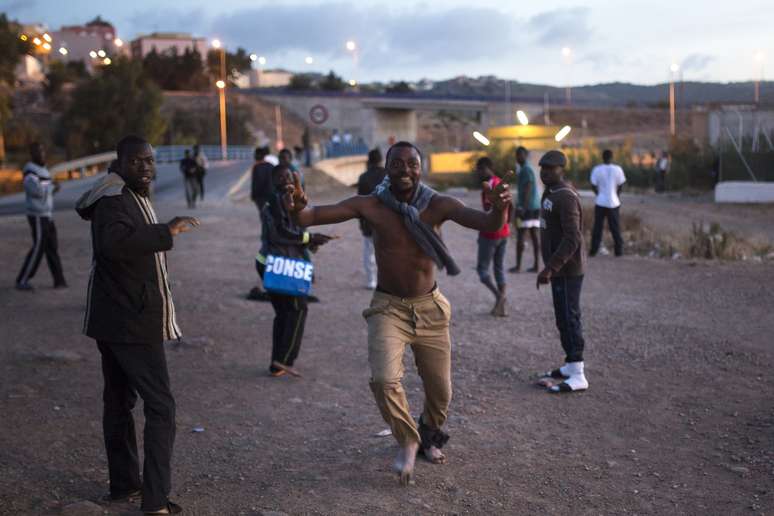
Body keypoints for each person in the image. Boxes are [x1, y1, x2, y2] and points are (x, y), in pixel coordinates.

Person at [283, 141, 511, 485]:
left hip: (430, 309)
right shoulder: (371, 206)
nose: (405, 170)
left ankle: (430, 434)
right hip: (388, 307)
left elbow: (486, 222)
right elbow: (311, 216)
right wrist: (296, 208)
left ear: (422, 168)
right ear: (386, 169)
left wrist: (499, 209)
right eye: (397, 164)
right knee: (384, 380)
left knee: (441, 391)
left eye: (412, 164)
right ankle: (408, 439)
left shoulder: (438, 205)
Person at [75, 135, 200, 515]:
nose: (146, 168)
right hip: (130, 320)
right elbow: (113, 245)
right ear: (120, 162)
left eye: (150, 161)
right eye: (138, 162)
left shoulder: (120, 192)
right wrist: (168, 231)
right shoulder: (113, 198)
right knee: (161, 407)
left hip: (113, 317)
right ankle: (155, 501)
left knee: (119, 402)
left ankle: (125, 484)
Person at [256, 164, 334, 377]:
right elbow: (279, 233)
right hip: (278, 264)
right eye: (280, 178)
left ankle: (277, 363)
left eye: (288, 176)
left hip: (281, 263)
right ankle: (284, 360)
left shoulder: (290, 201)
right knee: (298, 309)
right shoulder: (275, 201)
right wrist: (310, 238)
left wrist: (311, 241)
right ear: (274, 182)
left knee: (284, 314)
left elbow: (295, 231)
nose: (285, 181)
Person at [535, 150, 588, 394]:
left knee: (569, 316)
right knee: (561, 317)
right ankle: (569, 364)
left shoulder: (565, 196)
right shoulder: (550, 192)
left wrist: (550, 267)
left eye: (550, 169)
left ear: (561, 170)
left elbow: (573, 238)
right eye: (542, 168)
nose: (544, 173)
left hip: (568, 270)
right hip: (558, 270)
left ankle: (578, 373)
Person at [15, 142, 67, 291]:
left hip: (47, 215)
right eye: (39, 152)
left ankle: (59, 280)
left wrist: (53, 187)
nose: (42, 155)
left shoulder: (43, 170)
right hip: (37, 215)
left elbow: (45, 188)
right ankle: (22, 280)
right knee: (38, 248)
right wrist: (51, 187)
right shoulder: (30, 171)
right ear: (33, 154)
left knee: (52, 247)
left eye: (43, 152)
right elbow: (35, 190)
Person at [474, 157, 510, 316]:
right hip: (504, 232)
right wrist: (508, 223)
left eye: (479, 169)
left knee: (482, 270)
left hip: (490, 233)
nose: (478, 173)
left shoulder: (489, 186)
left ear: (486, 168)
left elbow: (489, 212)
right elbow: (511, 205)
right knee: (499, 268)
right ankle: (500, 306)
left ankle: (499, 297)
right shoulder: (501, 182)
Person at [247, 146, 276, 302]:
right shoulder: (271, 167)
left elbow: (255, 185)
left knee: (264, 221)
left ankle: (265, 235)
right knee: (269, 220)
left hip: (260, 199)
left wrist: (254, 197)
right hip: (270, 198)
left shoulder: (257, 168)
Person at [356, 148, 386, 289]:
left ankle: (371, 281)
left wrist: (361, 222)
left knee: (369, 252)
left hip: (369, 220)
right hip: (388, 222)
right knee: (388, 251)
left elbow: (360, 202)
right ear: (381, 160)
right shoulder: (388, 176)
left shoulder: (363, 177)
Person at [589, 149, 626, 257]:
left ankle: (593, 251)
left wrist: (599, 194)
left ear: (602, 157)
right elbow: (621, 185)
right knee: (615, 227)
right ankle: (619, 251)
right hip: (614, 202)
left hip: (600, 201)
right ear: (612, 157)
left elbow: (593, 185)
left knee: (597, 227)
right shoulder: (618, 169)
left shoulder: (597, 169)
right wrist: (616, 195)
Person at [510, 146, 541, 273]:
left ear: (525, 155)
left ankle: (518, 266)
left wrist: (522, 206)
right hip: (535, 206)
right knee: (534, 236)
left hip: (528, 207)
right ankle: (536, 265)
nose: (517, 157)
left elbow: (528, 187)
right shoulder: (526, 168)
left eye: (520, 155)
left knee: (521, 235)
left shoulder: (526, 170)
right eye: (517, 155)